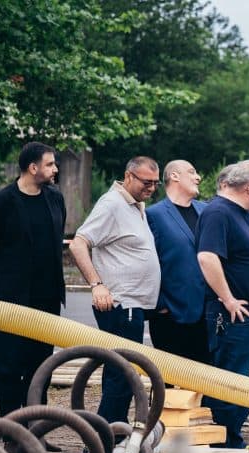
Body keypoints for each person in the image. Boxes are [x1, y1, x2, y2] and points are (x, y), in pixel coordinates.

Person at [69, 156, 161, 424]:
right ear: (128, 176)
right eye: (146, 182)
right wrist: (97, 285)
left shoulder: (134, 205)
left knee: (123, 372)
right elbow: (79, 243)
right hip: (121, 304)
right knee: (121, 374)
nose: (152, 188)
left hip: (133, 304)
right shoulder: (112, 204)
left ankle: (112, 432)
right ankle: (102, 435)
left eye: (155, 183)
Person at [196, 160, 249, 447]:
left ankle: (233, 437)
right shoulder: (218, 212)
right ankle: (225, 441)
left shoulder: (243, 213)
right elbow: (207, 257)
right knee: (233, 380)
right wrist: (228, 298)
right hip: (237, 318)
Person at [0, 142, 66, 416]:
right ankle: (9, 429)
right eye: (50, 164)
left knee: (41, 368)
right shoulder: (0, 202)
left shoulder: (55, 198)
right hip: (10, 301)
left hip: (47, 298)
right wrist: (7, 280)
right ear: (33, 168)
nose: (55, 169)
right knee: (9, 367)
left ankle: (36, 427)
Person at [146, 160, 210, 364]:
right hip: (170, 315)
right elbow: (148, 263)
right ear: (174, 176)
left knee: (204, 381)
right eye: (192, 172)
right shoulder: (153, 215)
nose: (198, 177)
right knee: (170, 383)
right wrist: (160, 304)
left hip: (206, 314)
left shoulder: (207, 211)